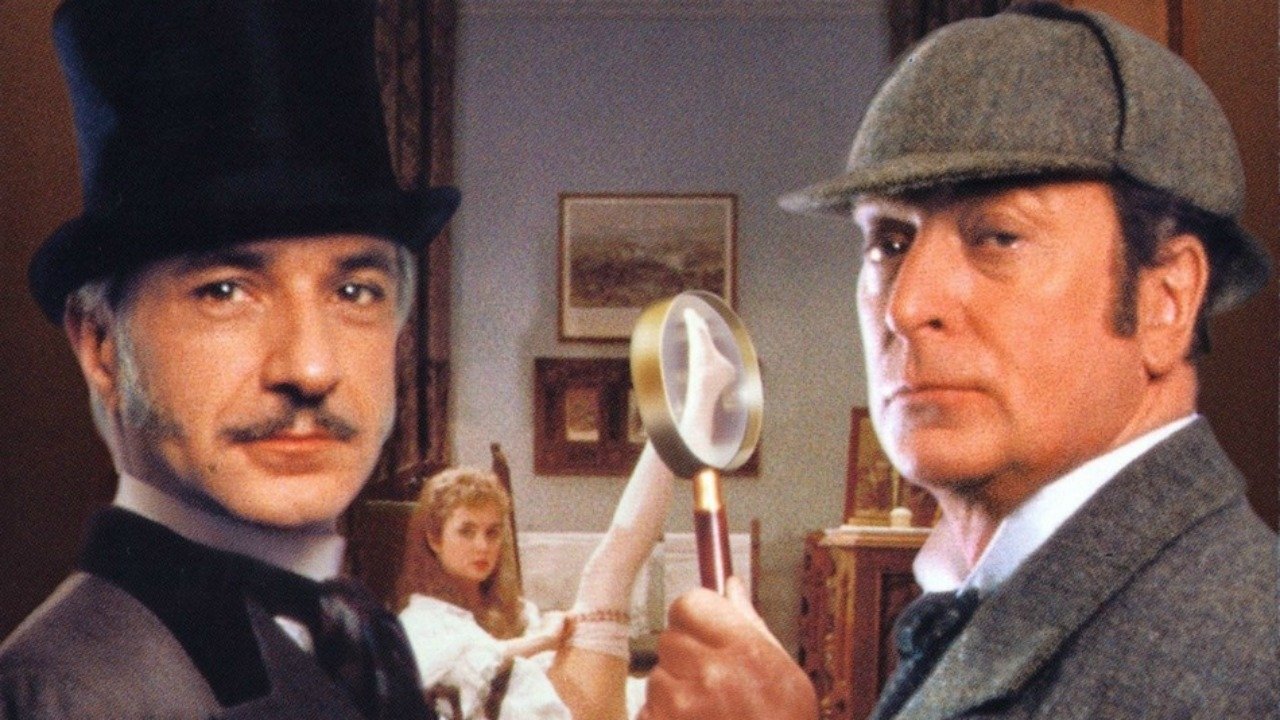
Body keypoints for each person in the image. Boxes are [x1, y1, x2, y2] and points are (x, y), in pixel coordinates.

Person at [640, 3, 1278, 720]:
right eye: (889, 241)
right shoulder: (996, 596)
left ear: (1166, 300)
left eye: (998, 237)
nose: (907, 305)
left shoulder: (1245, 660)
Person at [0, 0, 459, 718]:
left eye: (353, 291)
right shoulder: (74, 691)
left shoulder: (362, 631)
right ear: (101, 347)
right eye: (225, 291)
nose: (310, 368)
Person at [398, 313, 737, 720]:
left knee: (694, 687)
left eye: (492, 532)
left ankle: (697, 404)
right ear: (434, 538)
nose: (482, 546)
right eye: (466, 532)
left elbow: (537, 668)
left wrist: (555, 635)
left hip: (562, 705)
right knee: (606, 573)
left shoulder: (511, 608)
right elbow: (462, 670)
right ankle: (696, 400)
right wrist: (543, 640)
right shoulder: (420, 619)